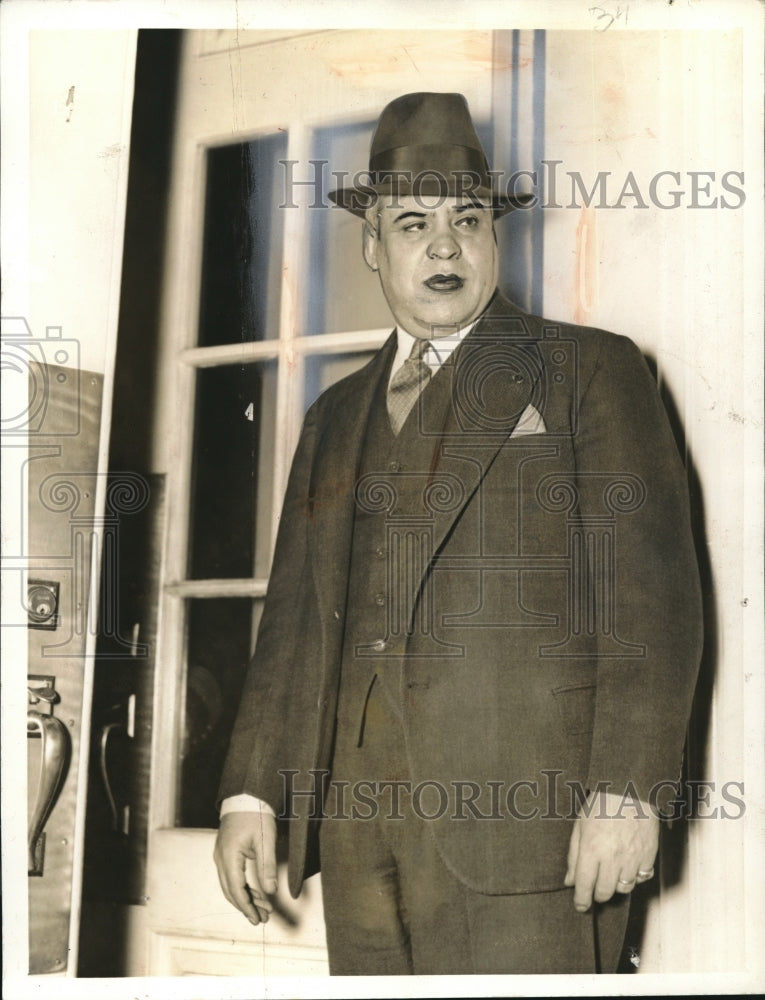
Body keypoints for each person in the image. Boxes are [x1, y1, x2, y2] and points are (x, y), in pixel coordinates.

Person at [214, 92, 703, 975]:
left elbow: (650, 601)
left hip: (530, 836)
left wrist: (628, 792)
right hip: (355, 836)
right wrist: (250, 791)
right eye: (412, 222)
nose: (445, 245)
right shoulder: (331, 417)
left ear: (492, 236)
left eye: (466, 219)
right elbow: (290, 623)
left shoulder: (587, 373)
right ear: (372, 245)